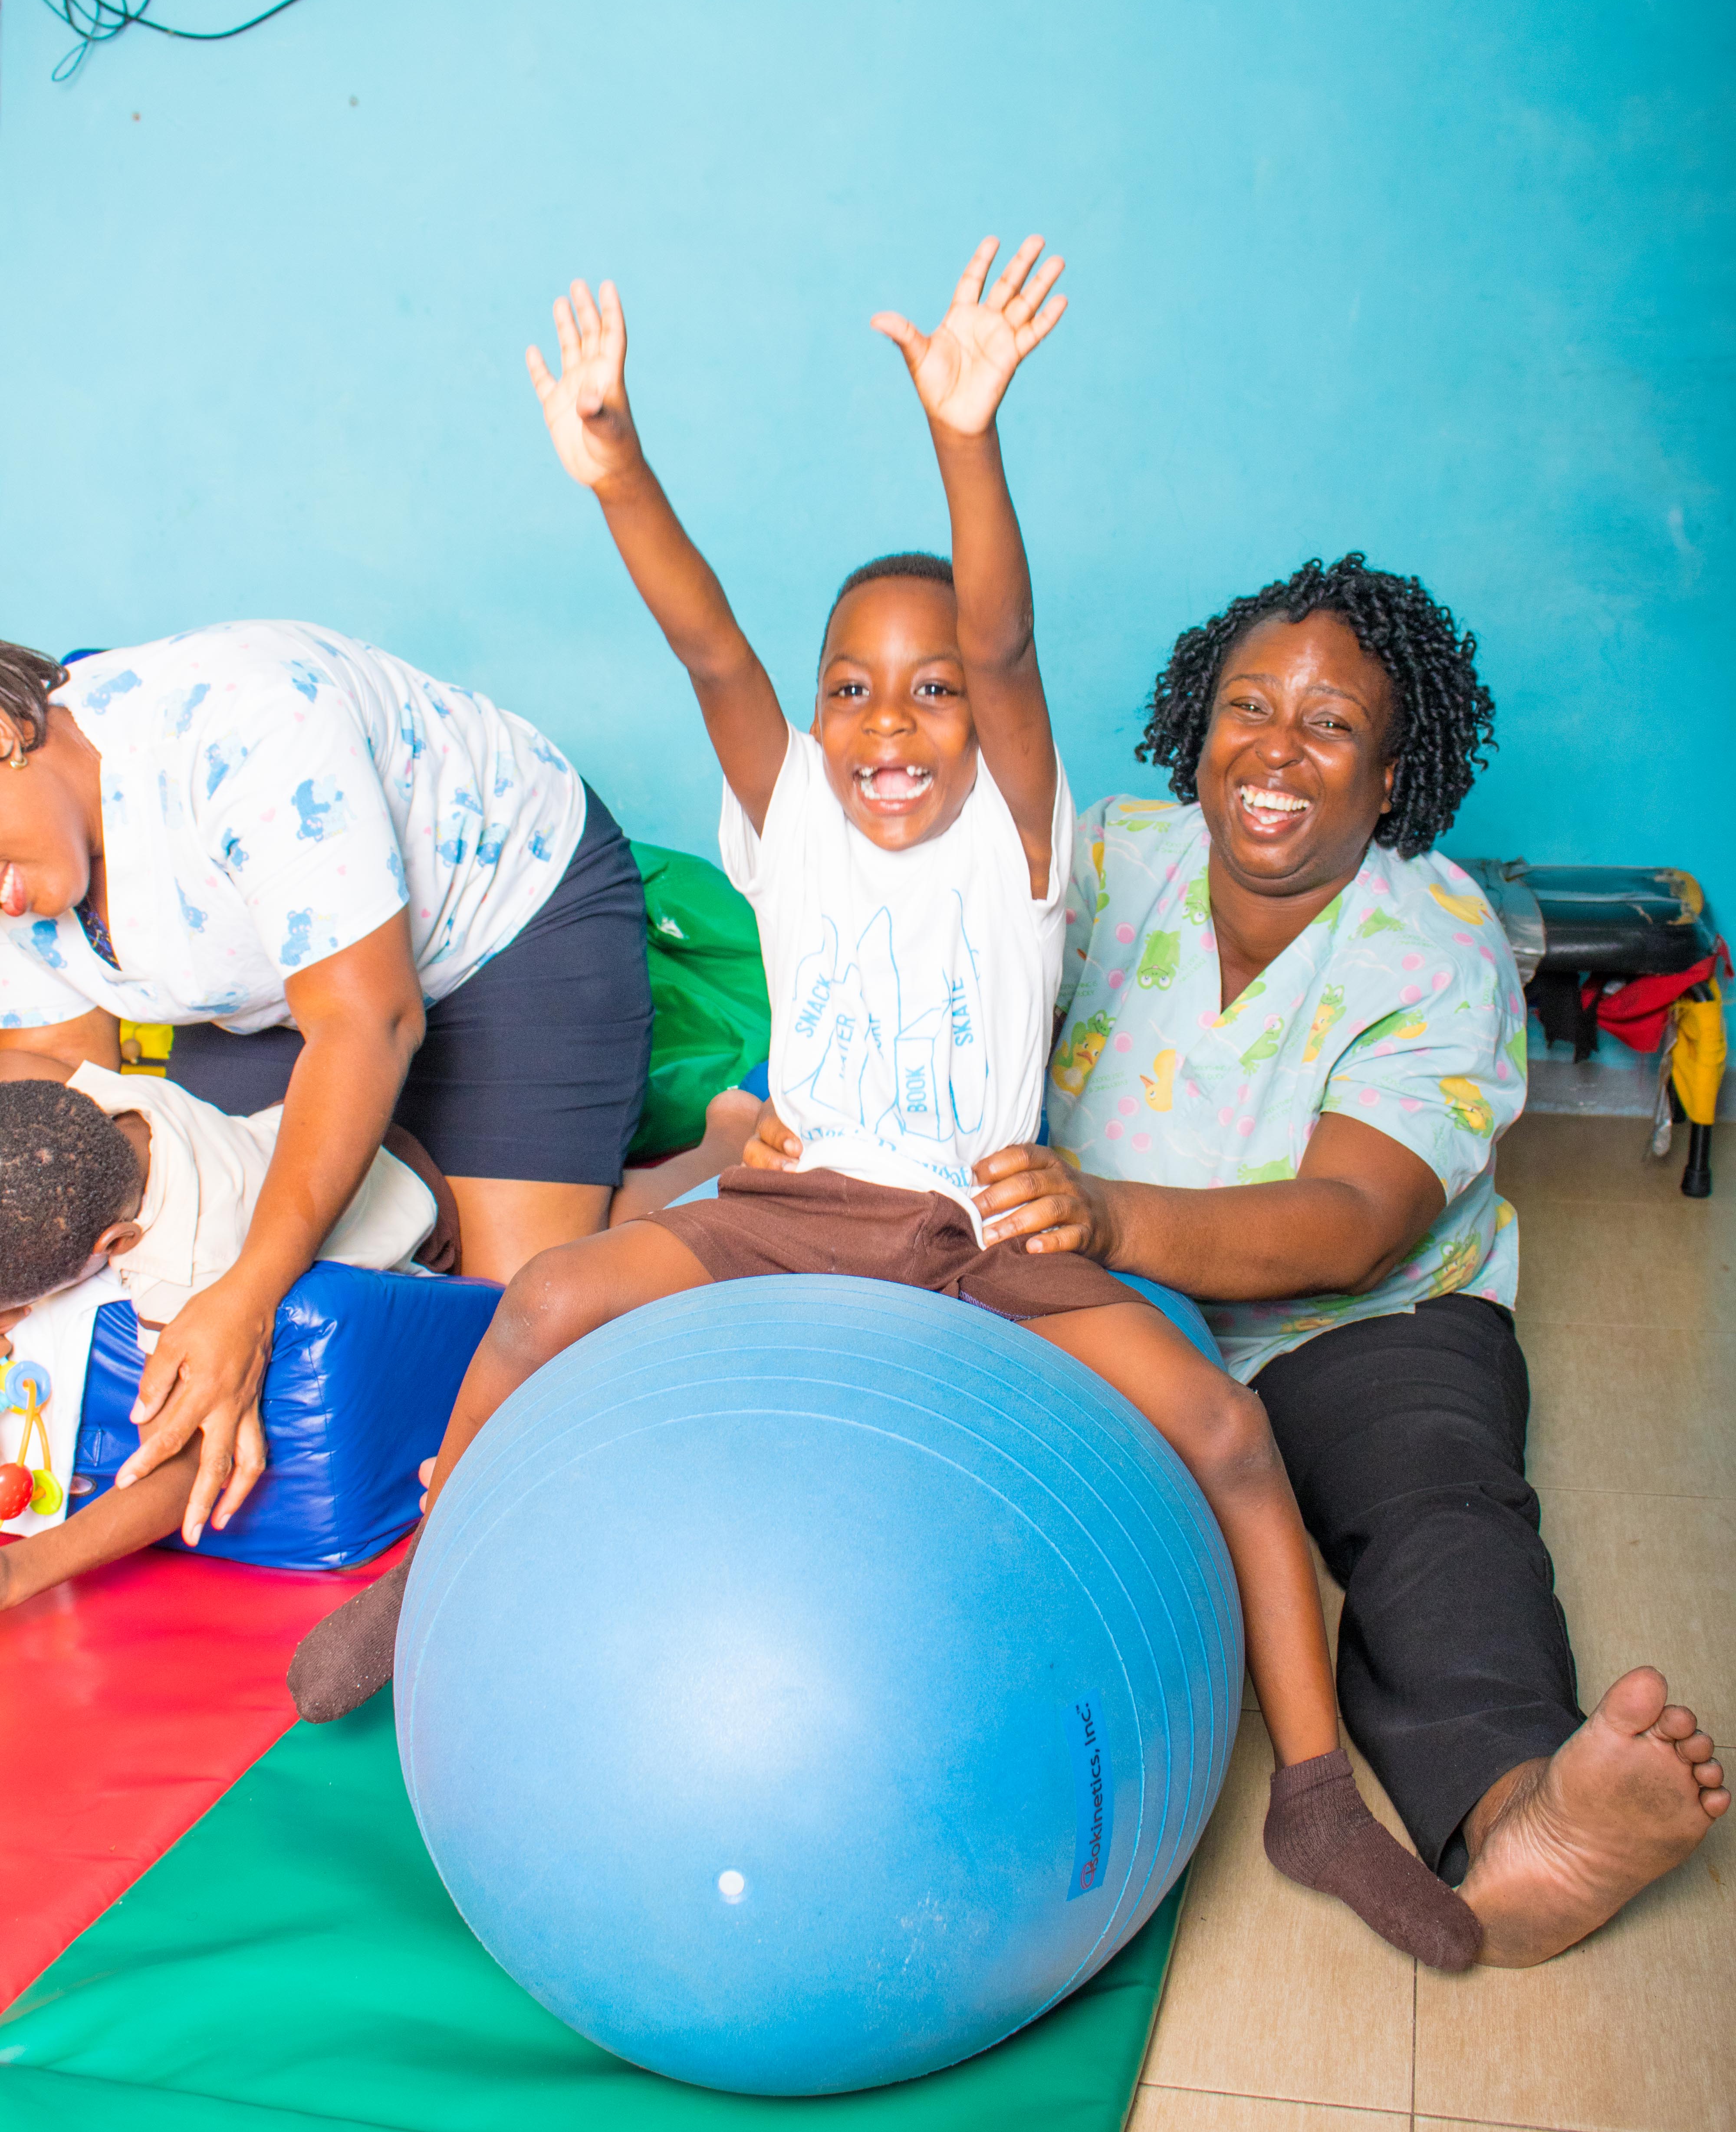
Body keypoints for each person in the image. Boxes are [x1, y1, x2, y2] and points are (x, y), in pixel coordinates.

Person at [290, 240, 1485, 1972]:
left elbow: (1000, 641)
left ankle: (1312, 1796)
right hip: (794, 1207)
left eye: (927, 691)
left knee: (1227, 1435)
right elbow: (705, 639)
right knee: (544, 1301)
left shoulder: (1024, 840)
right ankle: (426, 1565)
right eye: (851, 686)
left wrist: (965, 436)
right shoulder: (785, 816)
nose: (888, 722)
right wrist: (618, 465)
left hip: (978, 1231)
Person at [835, 551, 1723, 1971]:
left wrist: (1112, 1215)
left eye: (1331, 726)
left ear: (1391, 779)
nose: (1278, 752)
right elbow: (912, 964)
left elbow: (1351, 1220)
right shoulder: (1109, 858)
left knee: (1431, 1506)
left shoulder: (1436, 943)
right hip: (1093, 1294)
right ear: (1198, 729)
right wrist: (799, 1108)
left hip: (1357, 1319)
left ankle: (1524, 1809)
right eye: (1250, 708)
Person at [0, 619, 661, 1554]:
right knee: (225, 1222)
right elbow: (68, 1076)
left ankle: (701, 1154)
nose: (6, 906)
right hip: (273, 986)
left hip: (499, 918)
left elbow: (370, 1021)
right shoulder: (25, 859)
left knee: (501, 1336)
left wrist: (248, 1294)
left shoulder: (240, 724)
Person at [0, 1061, 447, 1609]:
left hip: (407, 1199)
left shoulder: (186, 1267)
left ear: (118, 1242)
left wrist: (18, 1572)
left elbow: (184, 1461)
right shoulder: (92, 1107)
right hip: (284, 1133)